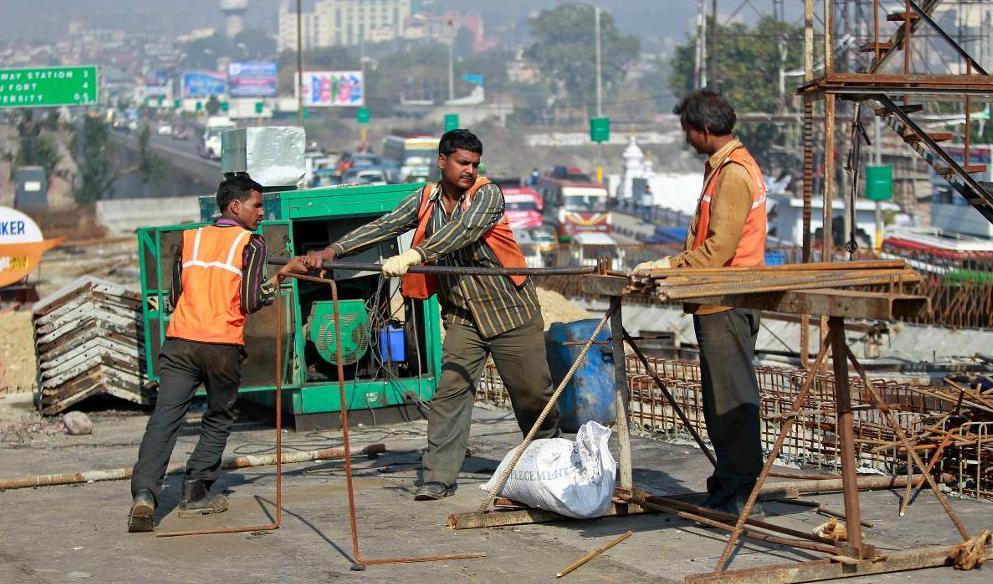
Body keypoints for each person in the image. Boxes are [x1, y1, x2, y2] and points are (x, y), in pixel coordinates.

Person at [302, 129, 560, 501]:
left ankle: (551, 463)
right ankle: (438, 476)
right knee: (450, 394)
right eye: (462, 163)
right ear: (442, 162)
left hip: (510, 313)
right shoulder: (425, 199)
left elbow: (463, 232)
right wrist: (334, 251)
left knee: (532, 395)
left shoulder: (487, 195)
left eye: (475, 163)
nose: (469, 170)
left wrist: (416, 255)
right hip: (463, 316)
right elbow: (386, 225)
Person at [128, 175, 304, 532]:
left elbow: (175, 298)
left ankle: (145, 495)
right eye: (257, 205)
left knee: (165, 418)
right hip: (221, 345)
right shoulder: (251, 244)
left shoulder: (190, 239)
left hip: (179, 342)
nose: (262, 212)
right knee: (220, 415)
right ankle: (195, 494)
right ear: (235, 206)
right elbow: (252, 301)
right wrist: (281, 277)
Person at [634, 89, 767, 516]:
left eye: (688, 131)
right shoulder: (724, 167)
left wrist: (669, 265)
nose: (687, 139)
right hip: (718, 300)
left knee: (732, 403)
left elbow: (718, 249)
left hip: (726, 299)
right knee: (721, 400)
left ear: (705, 130)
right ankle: (728, 486)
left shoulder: (732, 173)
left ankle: (741, 494)